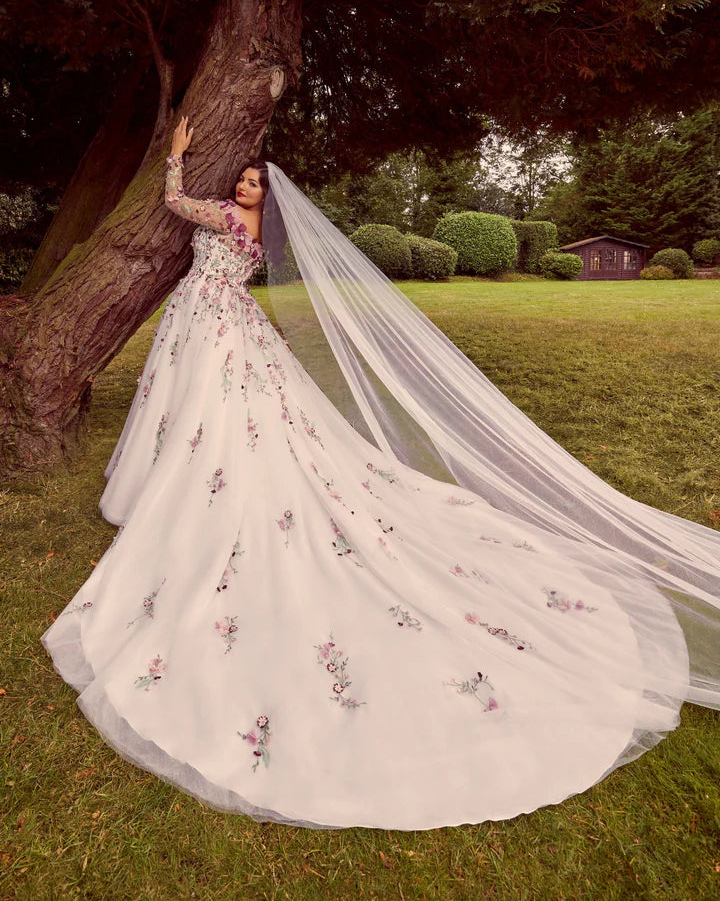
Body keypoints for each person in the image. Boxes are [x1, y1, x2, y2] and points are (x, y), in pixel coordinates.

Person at [42, 117, 720, 830]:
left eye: (253, 183)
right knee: (215, 412)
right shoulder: (257, 233)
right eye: (242, 179)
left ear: (263, 197)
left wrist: (176, 159)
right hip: (226, 319)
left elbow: (174, 206)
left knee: (210, 413)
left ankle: (180, 485)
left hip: (209, 323)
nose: (244, 187)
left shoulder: (220, 216)